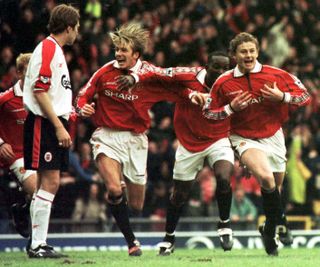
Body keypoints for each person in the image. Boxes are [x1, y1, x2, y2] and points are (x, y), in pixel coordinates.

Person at [76, 22, 200, 256]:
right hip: (107, 136)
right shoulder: (104, 72)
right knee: (114, 190)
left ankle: (119, 189)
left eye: (124, 50)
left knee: (136, 205)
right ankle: (132, 241)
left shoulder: (149, 75)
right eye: (117, 49)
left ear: (136, 54)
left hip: (136, 140)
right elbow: (84, 94)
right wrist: (83, 108)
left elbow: (175, 88)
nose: (119, 54)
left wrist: (193, 95)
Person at [116, 51, 251, 255]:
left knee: (223, 178)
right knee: (179, 195)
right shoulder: (187, 75)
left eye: (226, 68)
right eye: (217, 67)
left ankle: (224, 225)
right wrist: (134, 77)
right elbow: (155, 71)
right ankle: (169, 238)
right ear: (206, 66)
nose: (222, 71)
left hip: (219, 138)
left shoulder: (231, 84)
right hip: (189, 144)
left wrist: (243, 150)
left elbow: (242, 118)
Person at [203, 32, 311, 256]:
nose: (248, 55)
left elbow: (304, 96)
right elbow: (208, 113)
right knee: (266, 178)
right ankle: (282, 224)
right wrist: (230, 108)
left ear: (258, 52)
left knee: (276, 191)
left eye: (252, 51)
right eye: (243, 51)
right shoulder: (223, 82)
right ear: (234, 55)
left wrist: (282, 97)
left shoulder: (277, 74)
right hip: (243, 137)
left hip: (273, 135)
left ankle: (269, 230)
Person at [23, 4, 80, 258]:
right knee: (51, 182)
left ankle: (37, 242)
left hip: (51, 121)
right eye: (76, 27)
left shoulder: (54, 50)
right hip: (44, 122)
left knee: (45, 185)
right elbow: (39, 90)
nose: (77, 32)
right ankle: (37, 245)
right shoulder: (48, 48)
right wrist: (58, 126)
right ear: (69, 28)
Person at [0, 53, 37, 238]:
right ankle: (36, 243)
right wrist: (1, 143)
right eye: (30, 72)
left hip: (37, 152)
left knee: (46, 194)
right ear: (19, 73)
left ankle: (22, 210)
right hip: (15, 154)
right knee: (39, 191)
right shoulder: (5, 99)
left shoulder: (41, 97)